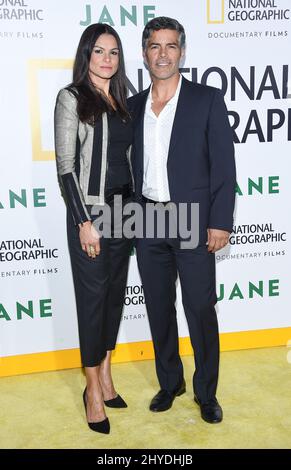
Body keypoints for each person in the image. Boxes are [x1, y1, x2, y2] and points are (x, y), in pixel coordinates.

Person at [128, 17, 236, 423]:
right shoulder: (134, 105)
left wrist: (220, 222)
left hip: (192, 218)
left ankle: (206, 392)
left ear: (182, 52)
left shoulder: (206, 100)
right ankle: (170, 381)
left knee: (200, 308)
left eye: (171, 46)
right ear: (144, 53)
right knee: (158, 307)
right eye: (155, 46)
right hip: (147, 219)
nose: (163, 54)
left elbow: (224, 167)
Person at [54, 23, 133, 434]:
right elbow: (66, 167)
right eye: (100, 51)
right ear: (87, 54)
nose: (107, 58)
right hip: (93, 216)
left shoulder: (122, 99)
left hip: (126, 214)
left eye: (114, 52)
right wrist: (84, 221)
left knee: (114, 299)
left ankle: (105, 373)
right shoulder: (71, 98)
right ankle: (91, 389)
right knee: (92, 301)